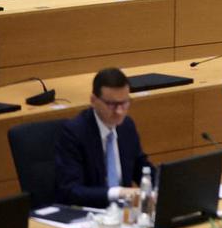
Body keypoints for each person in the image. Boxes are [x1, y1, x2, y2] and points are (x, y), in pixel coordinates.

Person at [55, 68, 151, 208]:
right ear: (93, 101)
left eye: (124, 103)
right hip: (90, 213)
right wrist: (118, 193)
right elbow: (71, 191)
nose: (119, 111)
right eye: (112, 104)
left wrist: (160, 187)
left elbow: (142, 167)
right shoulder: (74, 132)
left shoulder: (126, 126)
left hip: (124, 213)